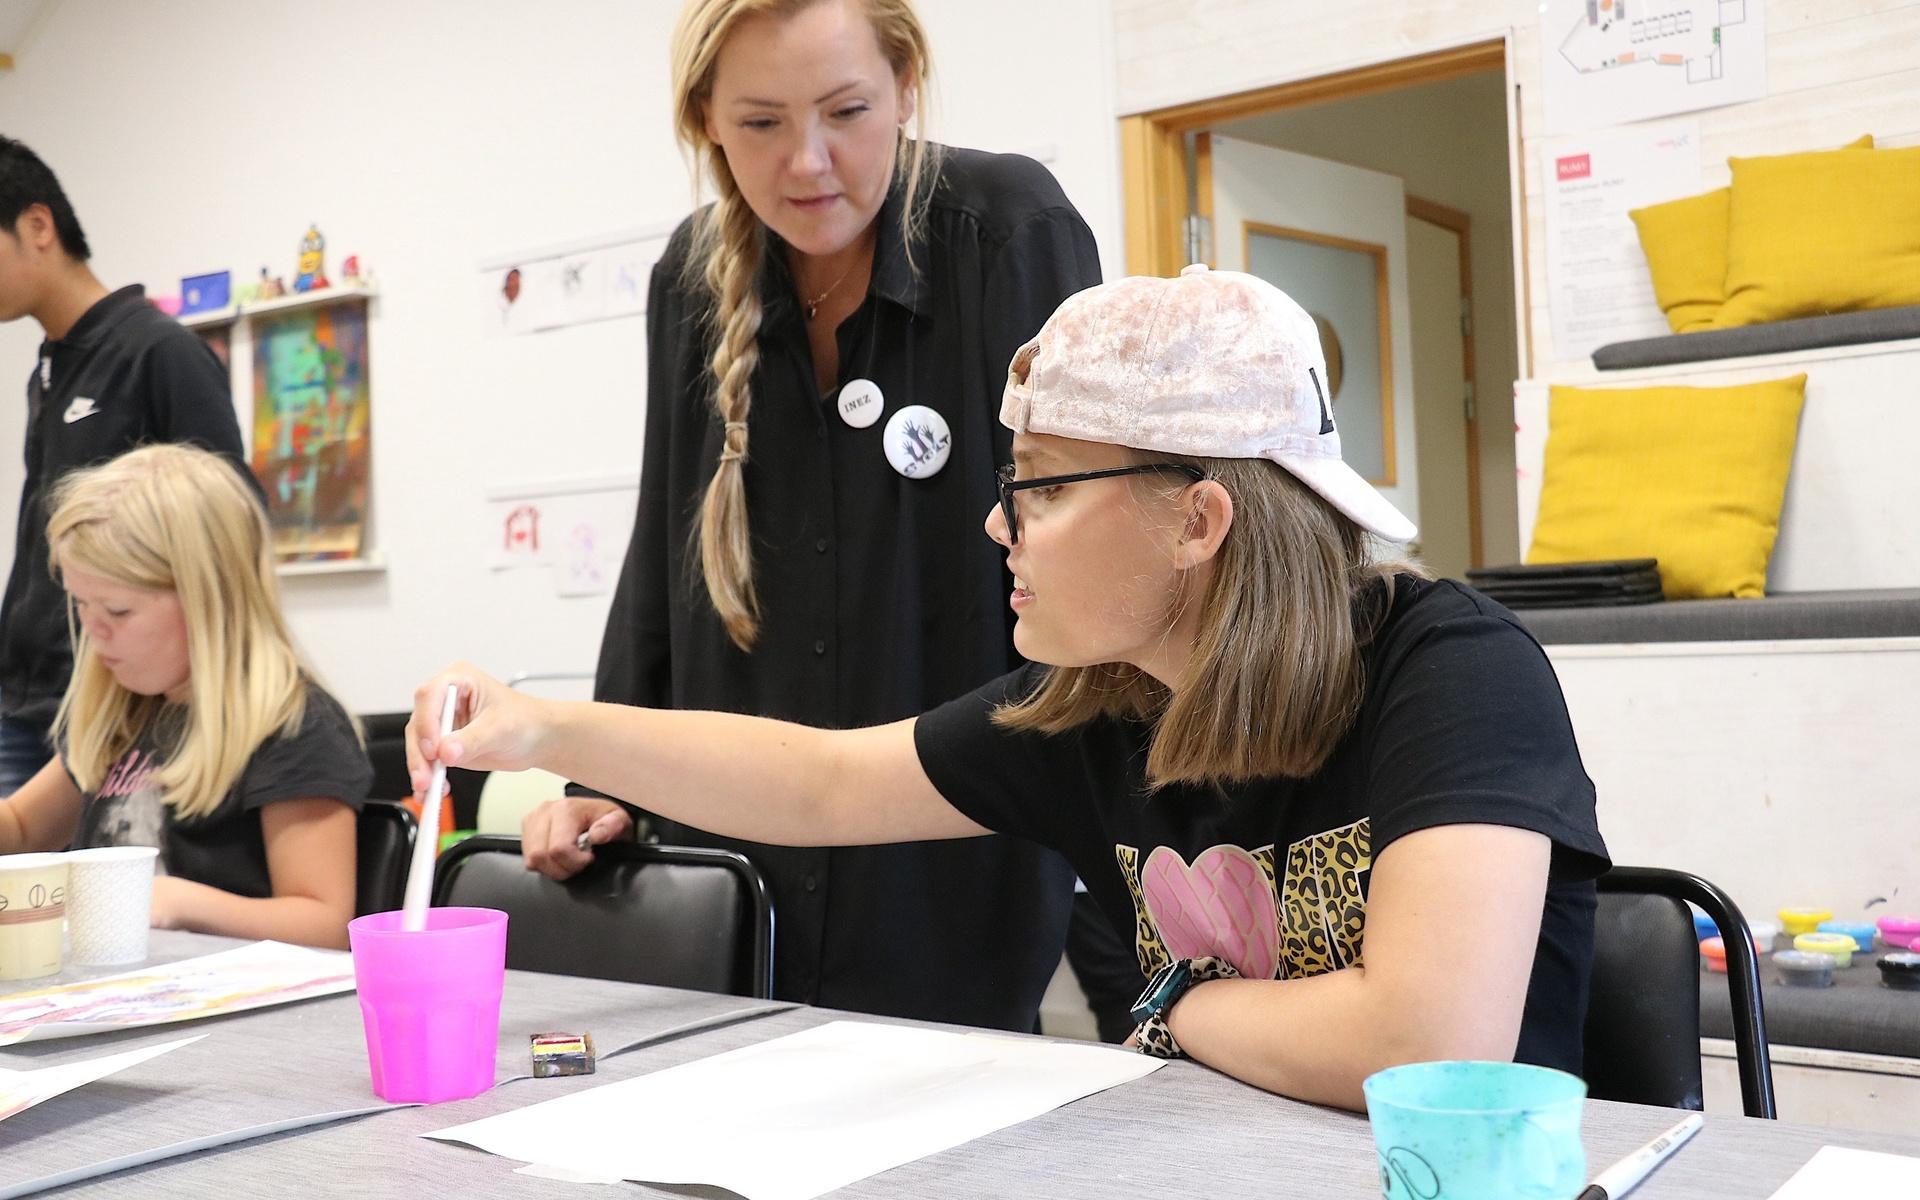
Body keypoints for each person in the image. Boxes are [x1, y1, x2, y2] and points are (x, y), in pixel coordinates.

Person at [409, 265, 1610, 1109]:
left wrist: (1176, 1003)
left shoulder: (1452, 672)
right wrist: (535, 725)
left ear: (1196, 518)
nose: (997, 522)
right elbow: (823, 783)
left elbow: (1428, 1043)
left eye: (1038, 485)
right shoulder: (1108, 704)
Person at [520, 0, 1107, 1031]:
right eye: (760, 124)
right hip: (737, 831)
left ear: (906, 87)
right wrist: (599, 771)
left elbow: (1092, 539)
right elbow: (665, 544)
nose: (808, 162)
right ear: (704, 118)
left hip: (954, 830)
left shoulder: (1009, 232)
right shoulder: (688, 280)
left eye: (846, 111)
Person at [0, 444, 371, 950]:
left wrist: (177, 902)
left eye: (117, 609)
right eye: (81, 604)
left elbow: (324, 924)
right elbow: (22, 829)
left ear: (208, 600)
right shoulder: (125, 711)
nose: (92, 630)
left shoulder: (294, 726)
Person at [0, 135, 246, 795]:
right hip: (24, 696)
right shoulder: (48, 370)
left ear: (37, 225)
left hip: (107, 697)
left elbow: (230, 530)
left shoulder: (160, 352)